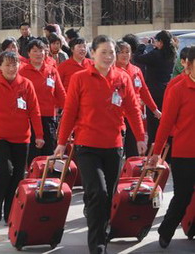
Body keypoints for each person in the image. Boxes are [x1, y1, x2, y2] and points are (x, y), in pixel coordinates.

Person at [55, 35, 146, 254]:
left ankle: (101, 228)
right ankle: (97, 245)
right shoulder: (80, 78)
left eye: (111, 52)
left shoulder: (122, 78)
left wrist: (141, 136)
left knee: (106, 195)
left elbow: (132, 109)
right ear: (92, 53)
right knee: (98, 192)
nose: (108, 56)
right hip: (86, 145)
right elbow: (70, 113)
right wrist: (61, 142)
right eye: (103, 52)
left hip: (114, 145)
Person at [0, 51, 45, 223]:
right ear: (0, 66)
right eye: (8, 64)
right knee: (5, 170)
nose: (12, 68)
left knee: (18, 175)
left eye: (15, 64)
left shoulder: (26, 84)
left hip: (21, 136)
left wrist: (39, 135)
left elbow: (34, 111)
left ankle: (9, 211)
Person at [149, 46, 195, 249]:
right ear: (189, 64)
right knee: (183, 196)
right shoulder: (178, 88)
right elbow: (166, 123)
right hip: (185, 153)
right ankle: (166, 230)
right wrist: (157, 152)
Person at [19, 39, 66, 162]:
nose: (39, 54)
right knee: (32, 154)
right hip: (28, 118)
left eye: (41, 51)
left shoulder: (51, 71)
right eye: (35, 51)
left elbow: (60, 93)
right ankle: (32, 178)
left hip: (48, 116)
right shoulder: (22, 72)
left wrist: (68, 109)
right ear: (28, 53)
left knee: (49, 151)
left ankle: (47, 178)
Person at [115, 41, 161, 158]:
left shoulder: (136, 70)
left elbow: (144, 91)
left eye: (127, 52)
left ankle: (130, 175)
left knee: (133, 151)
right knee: (117, 151)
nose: (125, 55)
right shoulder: (112, 71)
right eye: (121, 52)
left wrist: (155, 110)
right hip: (117, 116)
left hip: (135, 115)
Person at [134, 30, 176, 147]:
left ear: (161, 42)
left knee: (153, 123)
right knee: (165, 121)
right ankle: (166, 149)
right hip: (166, 89)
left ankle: (153, 148)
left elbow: (138, 58)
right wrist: (154, 46)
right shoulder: (172, 54)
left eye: (157, 41)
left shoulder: (155, 55)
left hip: (153, 90)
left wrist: (143, 45)